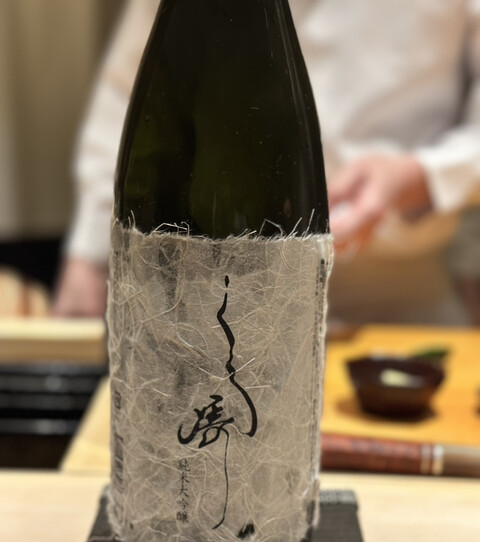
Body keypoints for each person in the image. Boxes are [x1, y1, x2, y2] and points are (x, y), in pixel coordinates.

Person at [53, 0, 480, 324]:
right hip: (205, 287)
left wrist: (423, 175)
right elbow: (129, 86)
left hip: (397, 300)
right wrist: (88, 254)